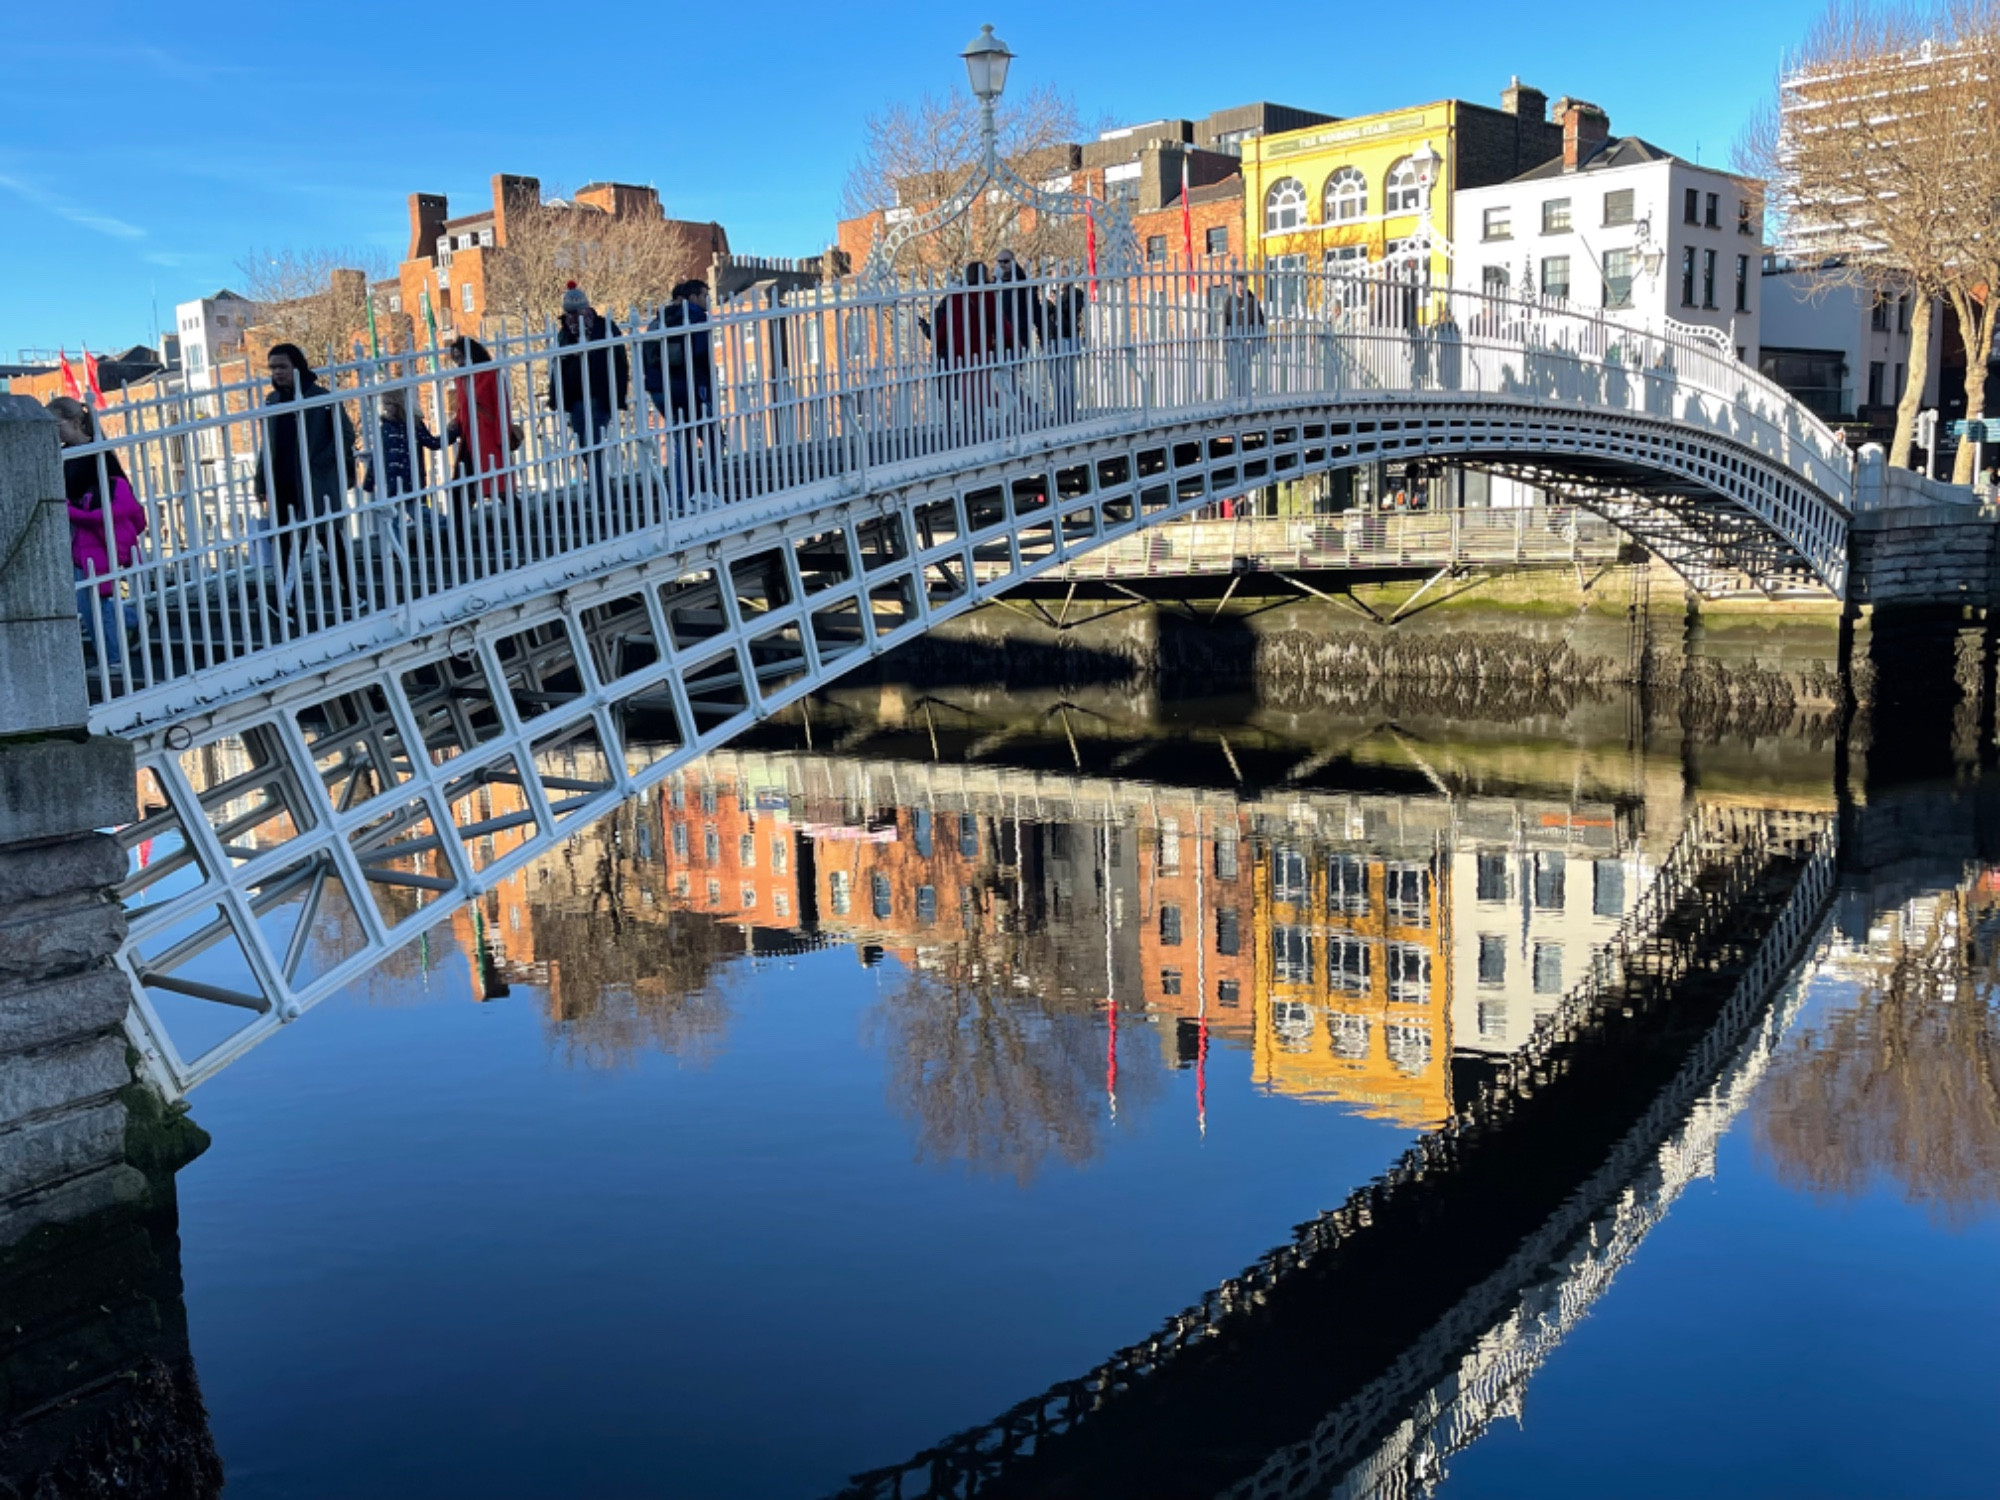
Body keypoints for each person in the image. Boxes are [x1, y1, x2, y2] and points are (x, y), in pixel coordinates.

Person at [253, 343, 358, 615]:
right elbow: (267, 446)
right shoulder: (272, 402)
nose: (277, 373)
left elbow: (345, 434)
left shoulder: (320, 397)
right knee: (288, 544)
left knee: (329, 539)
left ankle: (352, 593)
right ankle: (289, 600)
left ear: (297, 366)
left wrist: (320, 462)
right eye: (273, 367)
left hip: (315, 482)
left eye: (282, 367)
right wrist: (261, 482)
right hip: (282, 482)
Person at [49, 395, 144, 671]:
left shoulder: (97, 452)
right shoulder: (64, 454)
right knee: (88, 597)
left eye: (57, 425)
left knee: (92, 598)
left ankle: (114, 657)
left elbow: (119, 497)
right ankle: (131, 622)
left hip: (96, 532)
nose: (54, 432)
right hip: (78, 530)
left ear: (77, 422)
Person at [546, 281, 629, 513]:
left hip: (597, 395)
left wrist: (618, 393)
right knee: (588, 448)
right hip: (577, 398)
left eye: (578, 311)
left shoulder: (598, 329)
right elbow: (558, 368)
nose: (576, 318)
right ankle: (603, 494)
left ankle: (603, 497)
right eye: (571, 313)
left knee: (590, 448)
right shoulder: (573, 332)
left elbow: (619, 362)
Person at [643, 279, 716, 499]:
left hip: (660, 389)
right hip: (689, 385)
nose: (707, 300)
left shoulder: (659, 320)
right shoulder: (694, 316)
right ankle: (707, 486)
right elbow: (700, 352)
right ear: (692, 297)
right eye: (704, 295)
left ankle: (681, 491)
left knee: (681, 441)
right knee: (712, 436)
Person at [923, 261, 1006, 438]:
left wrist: (936, 348)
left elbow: (944, 327)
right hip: (980, 354)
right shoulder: (986, 296)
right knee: (980, 393)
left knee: (967, 395)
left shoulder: (956, 297)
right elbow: (998, 324)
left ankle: (968, 429)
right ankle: (983, 428)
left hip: (959, 356)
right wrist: (1012, 343)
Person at [362, 386, 441, 515]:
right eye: (384, 404)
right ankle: (443, 528)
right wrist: (369, 482)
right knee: (394, 519)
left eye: (388, 403)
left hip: (412, 481)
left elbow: (432, 442)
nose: (386, 408)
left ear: (398, 403)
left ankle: (446, 528)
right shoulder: (386, 427)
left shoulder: (414, 424)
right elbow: (378, 456)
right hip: (393, 482)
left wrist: (453, 432)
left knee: (421, 514)